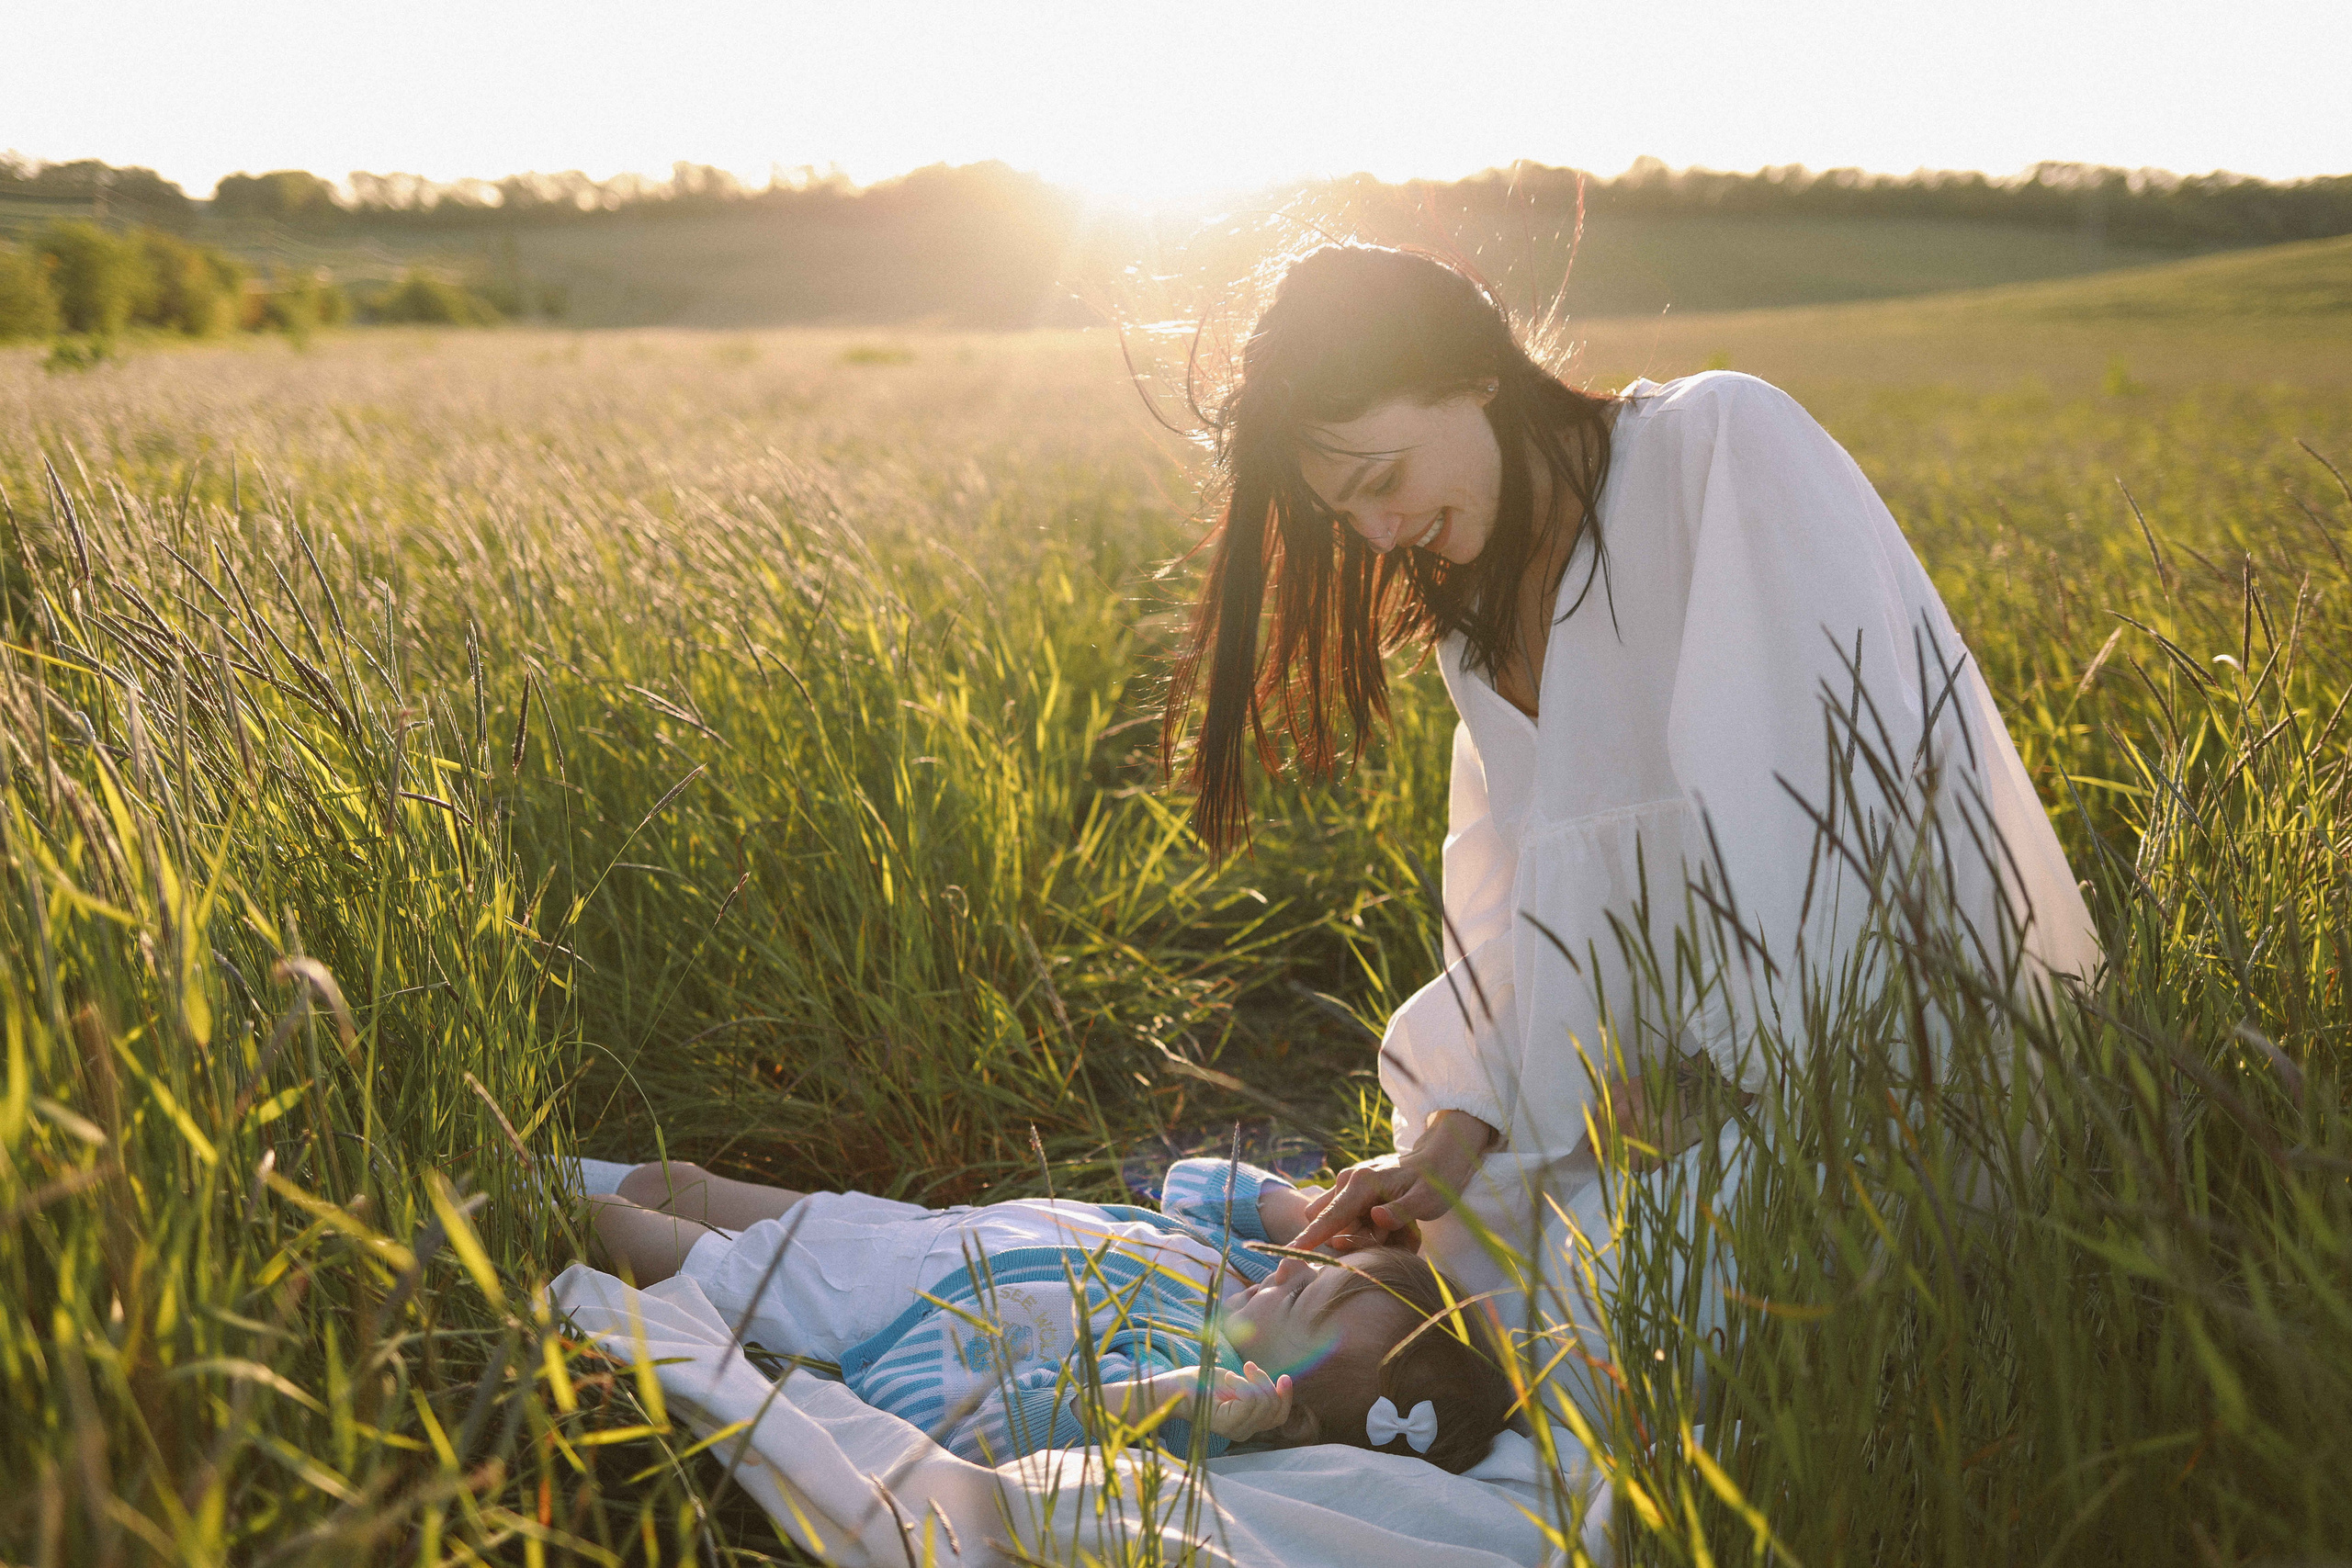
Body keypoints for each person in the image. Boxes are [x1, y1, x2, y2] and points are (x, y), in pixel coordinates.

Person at [1158, 243, 2102, 1420]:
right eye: (1348, 513)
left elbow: (1846, 838)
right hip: (1650, 1097)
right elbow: (1516, 908)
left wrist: (1704, 1088)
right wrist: (1455, 1134)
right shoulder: (1472, 613)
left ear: (1473, 375)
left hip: (1859, 1073)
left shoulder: (1717, 452)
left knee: (1620, 1352)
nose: (1382, 530)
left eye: (1384, 475)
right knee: (1458, 1294)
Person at [585, 1154, 1514, 1473]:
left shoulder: (1176, 1395)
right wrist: (1297, 1212)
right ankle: (534, 1166)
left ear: (1287, 1399)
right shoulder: (1236, 1277)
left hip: (856, 1312)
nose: (1292, 1271)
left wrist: (1148, 1401)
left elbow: (977, 1425)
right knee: (685, 1187)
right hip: (908, 1234)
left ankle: (487, 1190)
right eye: (1314, 1267)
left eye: (1306, 1293)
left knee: (642, 1239)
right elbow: (1189, 1181)